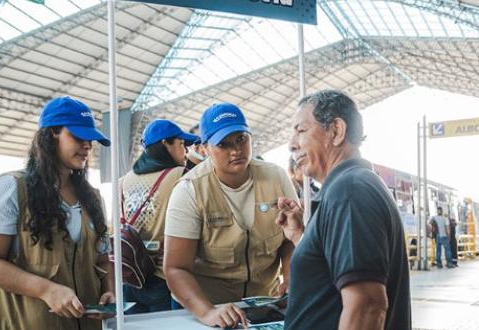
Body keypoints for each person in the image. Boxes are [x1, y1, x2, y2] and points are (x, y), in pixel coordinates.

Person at [0, 96, 114, 329]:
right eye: (78, 136)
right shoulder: (12, 189)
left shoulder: (93, 198)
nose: (88, 145)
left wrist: (109, 290)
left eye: (91, 139)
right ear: (51, 136)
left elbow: (102, 258)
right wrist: (46, 289)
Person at [276, 90, 411, 330]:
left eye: (301, 130)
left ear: (336, 131)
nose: (291, 144)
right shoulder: (352, 184)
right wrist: (301, 237)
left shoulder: (349, 191)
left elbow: (367, 305)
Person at [163, 103, 297, 328]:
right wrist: (207, 312)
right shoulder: (189, 190)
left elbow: (289, 240)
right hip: (205, 306)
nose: (235, 150)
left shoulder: (276, 178)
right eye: (223, 144)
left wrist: (291, 277)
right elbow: (176, 268)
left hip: (263, 305)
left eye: (241, 139)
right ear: (204, 148)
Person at [119, 119, 199, 313]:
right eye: (181, 144)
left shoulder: (124, 180)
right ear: (166, 144)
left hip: (131, 277)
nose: (186, 151)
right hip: (165, 278)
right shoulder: (181, 174)